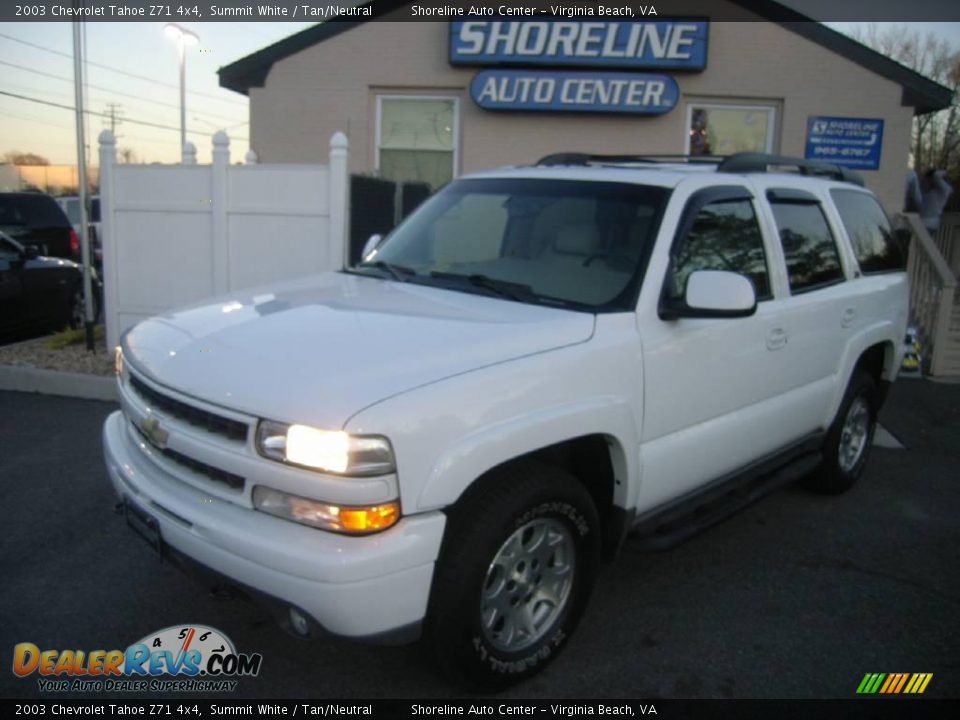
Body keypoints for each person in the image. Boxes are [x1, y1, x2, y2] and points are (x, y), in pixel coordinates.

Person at [919, 169, 954, 236]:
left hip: (929, 224)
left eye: (928, 179)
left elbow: (936, 176)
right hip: (920, 222)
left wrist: (946, 172)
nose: (925, 182)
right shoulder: (925, 191)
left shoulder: (944, 190)